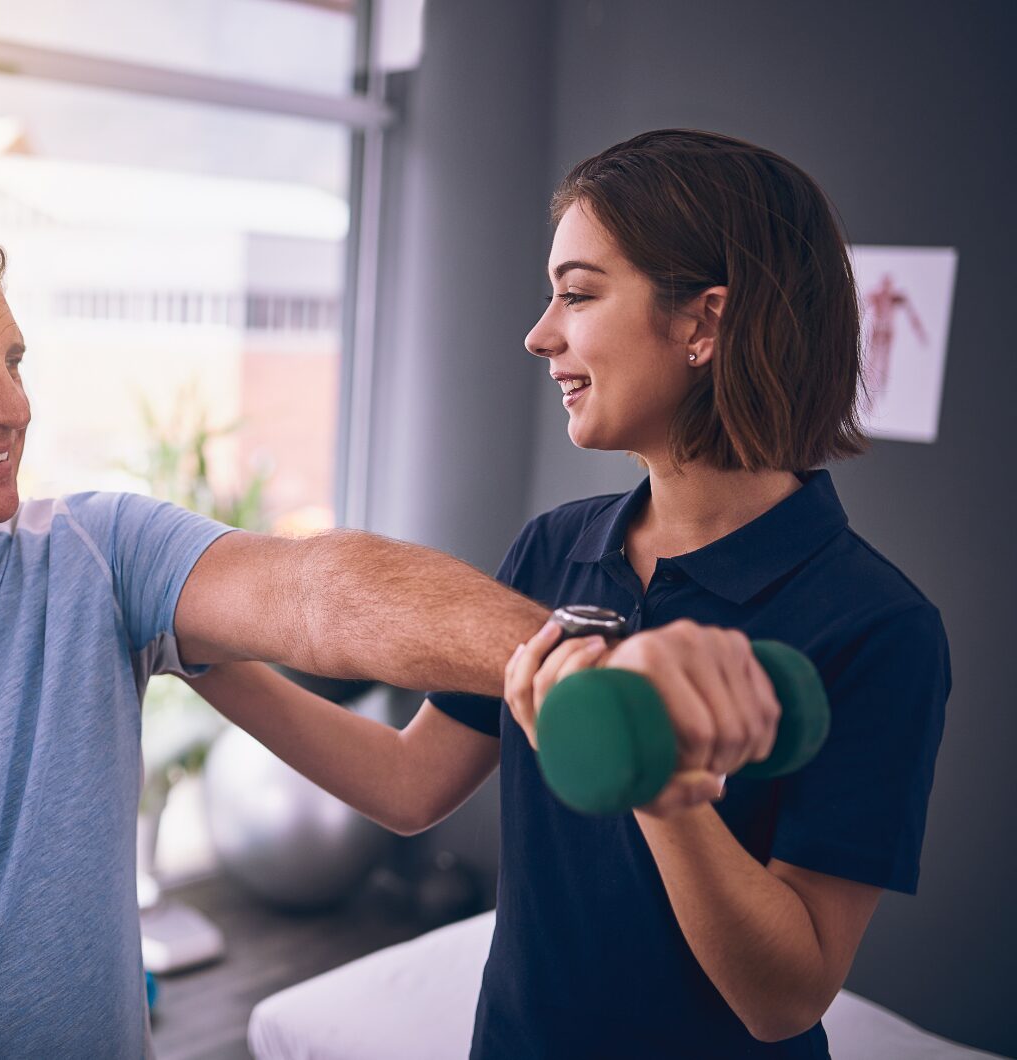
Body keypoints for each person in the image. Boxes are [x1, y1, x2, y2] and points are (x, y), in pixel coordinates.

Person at [0, 210, 771, 1058]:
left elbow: (319, 590)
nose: (15, 403)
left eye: (15, 358)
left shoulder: (95, 554)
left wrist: (576, 662)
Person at [187, 130, 949, 1057]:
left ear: (704, 323)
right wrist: (199, 655)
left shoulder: (877, 627)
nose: (539, 332)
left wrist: (657, 780)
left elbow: (784, 998)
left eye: (578, 294)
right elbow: (409, 784)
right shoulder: (559, 548)